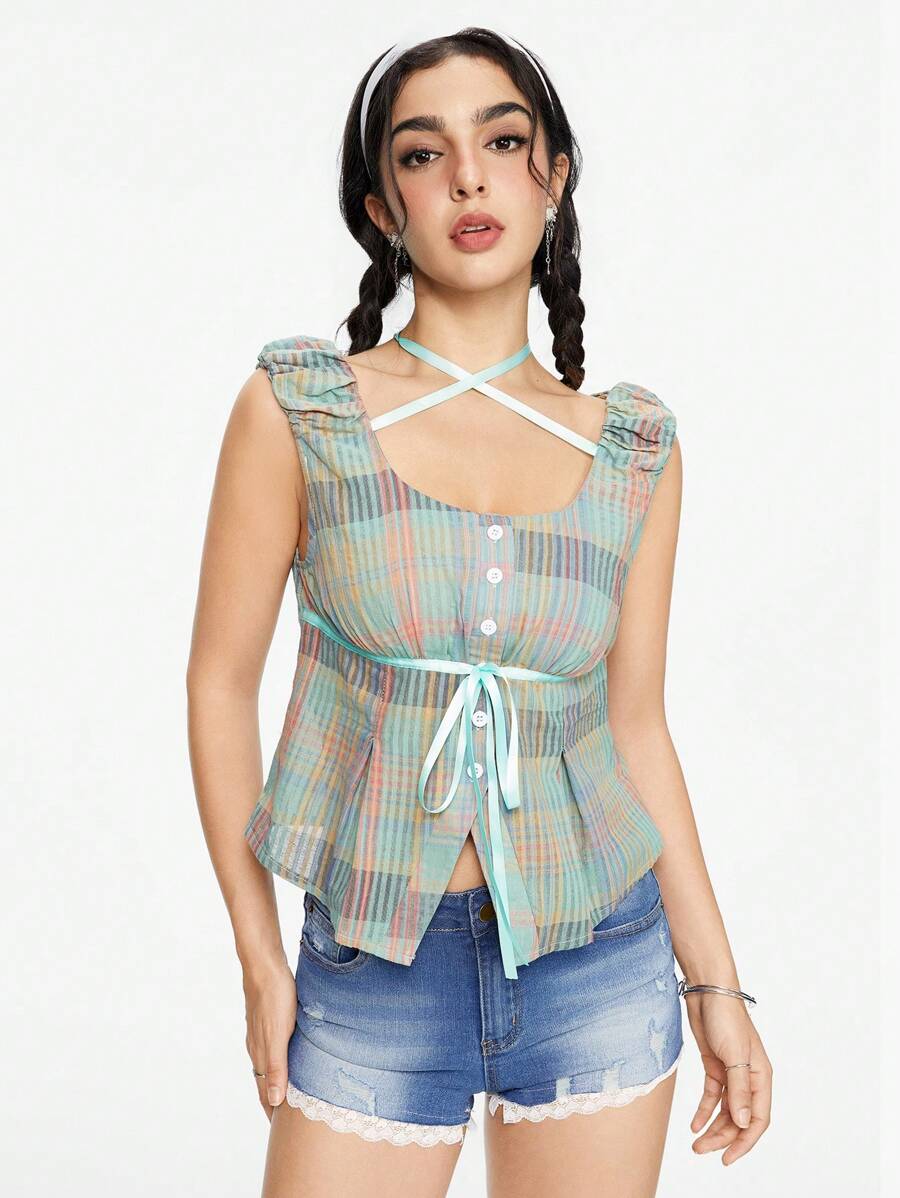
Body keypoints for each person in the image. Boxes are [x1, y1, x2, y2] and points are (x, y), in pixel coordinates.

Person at [187, 27, 773, 1198]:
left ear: (553, 176)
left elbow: (637, 727)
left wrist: (715, 981)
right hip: (373, 968)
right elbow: (218, 681)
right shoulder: (301, 410)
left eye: (502, 142)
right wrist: (257, 953)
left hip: (599, 959)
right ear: (382, 208)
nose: (467, 176)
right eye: (423, 153)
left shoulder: (633, 449)